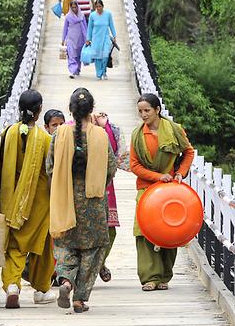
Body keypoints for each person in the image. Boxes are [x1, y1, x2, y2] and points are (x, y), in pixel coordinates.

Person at [47, 88, 117, 312]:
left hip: (65, 197)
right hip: (93, 200)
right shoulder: (100, 135)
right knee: (93, 248)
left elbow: (50, 166)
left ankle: (66, 280)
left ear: (70, 109)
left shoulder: (59, 134)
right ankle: (80, 298)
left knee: (65, 243)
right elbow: (111, 168)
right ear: (92, 109)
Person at [130, 93, 195, 291]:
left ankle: (164, 275)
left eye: (147, 110)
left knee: (168, 230)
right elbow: (134, 165)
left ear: (157, 110)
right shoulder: (138, 135)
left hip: (170, 189)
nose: (143, 115)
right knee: (143, 230)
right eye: (140, 111)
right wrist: (158, 177)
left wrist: (180, 173)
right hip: (146, 187)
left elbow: (188, 152)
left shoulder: (175, 131)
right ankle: (150, 277)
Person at [0, 90, 57, 309]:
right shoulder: (45, 139)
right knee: (41, 246)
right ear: (40, 110)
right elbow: (50, 171)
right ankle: (41, 290)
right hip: (39, 202)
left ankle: (13, 285)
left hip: (12, 200)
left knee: (14, 245)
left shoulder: (8, 133)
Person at [94, 111, 129, 282]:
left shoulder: (106, 128)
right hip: (78, 188)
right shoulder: (69, 129)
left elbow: (115, 154)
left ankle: (98, 263)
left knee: (109, 230)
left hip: (104, 184)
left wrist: (105, 125)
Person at [86, 0, 116, 81]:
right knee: (97, 58)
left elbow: (111, 25)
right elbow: (90, 28)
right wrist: (88, 39)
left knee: (105, 56)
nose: (98, 8)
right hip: (96, 38)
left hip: (106, 38)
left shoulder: (108, 14)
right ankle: (99, 74)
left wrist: (114, 35)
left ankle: (104, 72)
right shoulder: (92, 15)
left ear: (103, 6)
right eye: (97, 6)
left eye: (100, 6)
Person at [63, 0, 87, 80]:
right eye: (72, 7)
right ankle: (72, 71)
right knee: (71, 55)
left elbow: (85, 27)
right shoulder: (68, 16)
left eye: (75, 7)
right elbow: (65, 28)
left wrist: (87, 38)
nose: (74, 9)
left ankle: (77, 69)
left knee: (78, 55)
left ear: (77, 7)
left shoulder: (82, 16)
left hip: (80, 38)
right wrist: (63, 39)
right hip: (71, 38)